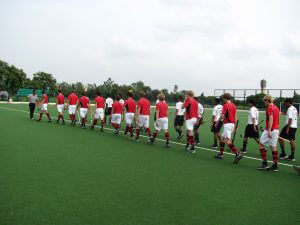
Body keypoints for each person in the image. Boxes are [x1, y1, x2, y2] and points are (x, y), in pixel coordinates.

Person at [214, 93, 243, 164]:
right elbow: (236, 117)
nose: (223, 100)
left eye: (223, 98)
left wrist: (217, 123)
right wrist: (235, 126)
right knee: (222, 139)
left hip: (228, 124)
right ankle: (221, 154)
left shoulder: (226, 105)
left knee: (227, 140)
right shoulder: (233, 105)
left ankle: (237, 154)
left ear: (225, 98)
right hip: (232, 124)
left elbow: (222, 116)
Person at [257, 95, 280, 172]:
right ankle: (275, 165)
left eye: (264, 101)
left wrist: (269, 130)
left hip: (270, 130)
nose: (264, 103)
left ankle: (264, 163)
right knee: (273, 146)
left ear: (267, 100)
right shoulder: (276, 108)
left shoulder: (269, 108)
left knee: (261, 144)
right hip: (276, 129)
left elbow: (271, 119)